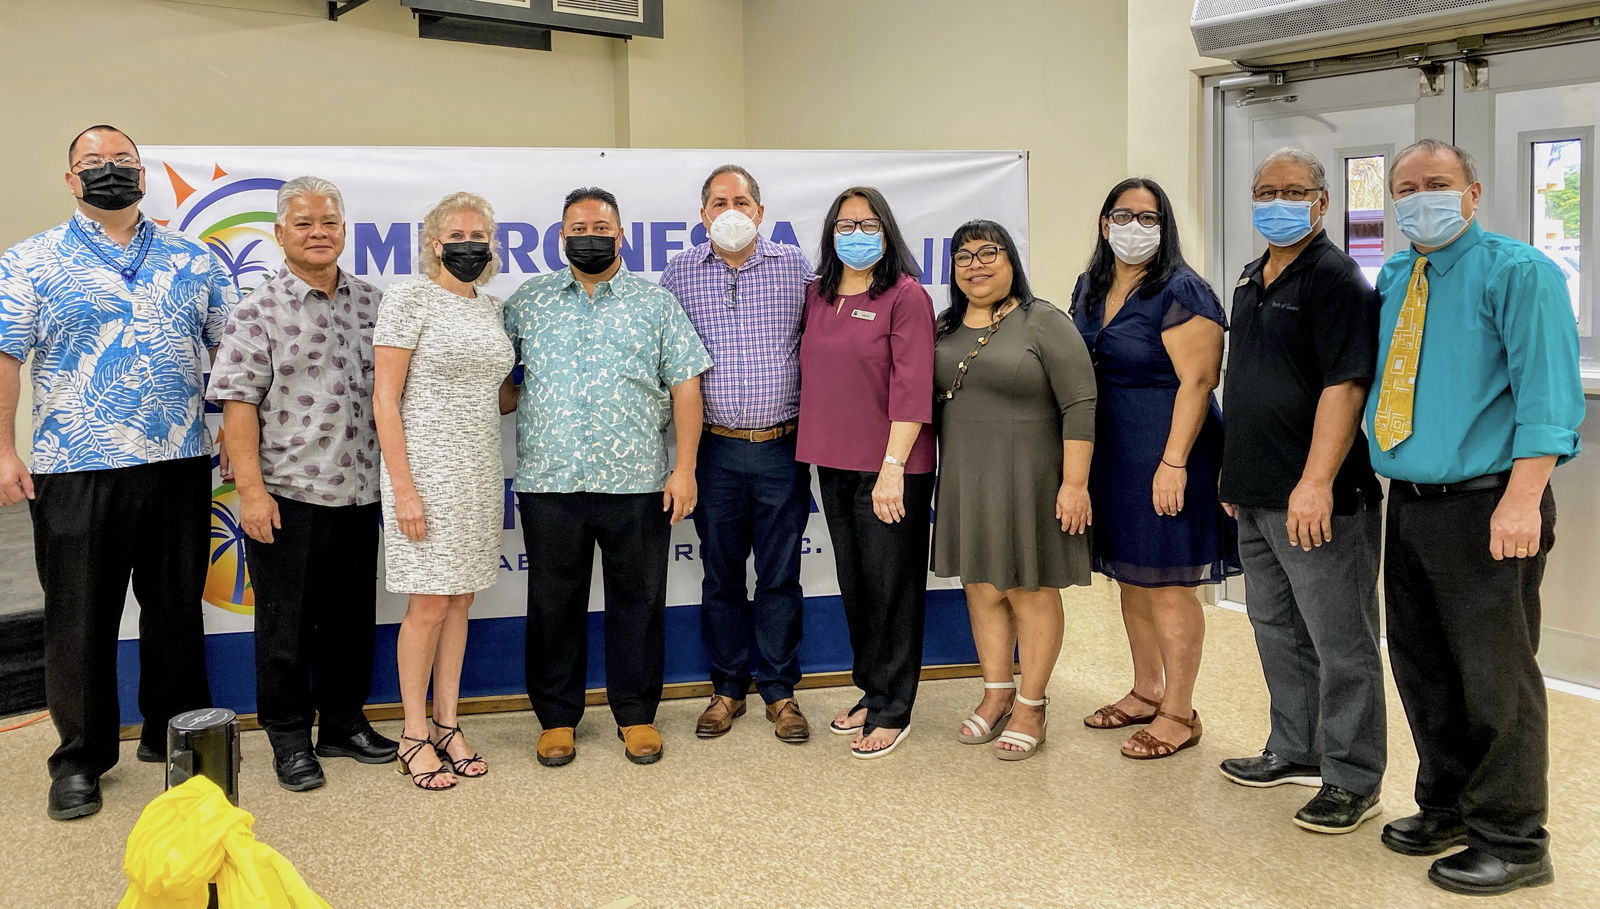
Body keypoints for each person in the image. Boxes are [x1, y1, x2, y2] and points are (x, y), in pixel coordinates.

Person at [0, 125, 234, 821]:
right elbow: (6, 357)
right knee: (79, 619)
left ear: (144, 174)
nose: (109, 170)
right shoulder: (30, 260)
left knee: (174, 613)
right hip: (77, 466)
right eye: (92, 163)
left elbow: (235, 352)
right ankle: (79, 758)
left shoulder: (196, 259)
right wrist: (2, 449)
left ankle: (175, 740)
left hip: (179, 460)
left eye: (122, 161)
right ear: (71, 180)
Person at [1368, 139, 1582, 896]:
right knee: (1424, 665)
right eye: (1406, 186)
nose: (1419, 195)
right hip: (1413, 505)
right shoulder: (1399, 274)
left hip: (1490, 503)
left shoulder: (1519, 272)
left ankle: (1515, 837)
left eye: (1437, 183)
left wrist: (1522, 499)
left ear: (1473, 192)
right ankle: (1450, 804)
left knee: (1496, 677)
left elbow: (1548, 395)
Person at [507, 187, 711, 767]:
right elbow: (497, 379)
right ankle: (555, 719)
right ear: (561, 236)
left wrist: (685, 468)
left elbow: (686, 387)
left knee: (639, 601)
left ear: (621, 235)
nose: (589, 234)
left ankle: (637, 715)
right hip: (550, 482)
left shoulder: (656, 303)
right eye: (578, 226)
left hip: (639, 483)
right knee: (552, 604)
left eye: (601, 225)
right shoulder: (528, 301)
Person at [207, 176, 398, 793]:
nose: (319, 233)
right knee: (285, 628)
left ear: (344, 229)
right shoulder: (257, 309)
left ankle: (342, 724)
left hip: (360, 490)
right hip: (286, 494)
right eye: (305, 223)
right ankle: (288, 737)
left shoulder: (373, 302)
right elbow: (238, 405)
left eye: (330, 222)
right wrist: (252, 494)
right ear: (280, 232)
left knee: (349, 619)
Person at [1216, 149, 1386, 833]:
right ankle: (1295, 745)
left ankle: (1352, 778)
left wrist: (1314, 482)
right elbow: (1248, 381)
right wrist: (1234, 474)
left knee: (1341, 641)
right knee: (1277, 629)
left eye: (1292, 191)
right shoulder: (1250, 277)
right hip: (1254, 494)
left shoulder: (1337, 278)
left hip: (1318, 500)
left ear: (1321, 201)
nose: (1276, 201)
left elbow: (1344, 387)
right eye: (1265, 191)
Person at [1070, 177, 1241, 760]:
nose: (1135, 228)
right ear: (1104, 223)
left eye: (1149, 218)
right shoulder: (1090, 288)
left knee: (1169, 585)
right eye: (1124, 215)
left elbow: (1199, 382)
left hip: (1171, 452)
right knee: (1132, 577)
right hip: (1113, 456)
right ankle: (1146, 691)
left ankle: (1179, 710)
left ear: (1165, 228)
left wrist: (1173, 462)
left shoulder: (1183, 291)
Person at [660, 165, 815, 744]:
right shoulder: (679, 273)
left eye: (742, 201)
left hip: (781, 448)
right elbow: (667, 365)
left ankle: (780, 691)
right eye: (719, 201)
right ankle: (727, 689)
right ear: (703, 215)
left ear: (760, 213)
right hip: (714, 452)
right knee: (722, 578)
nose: (731, 209)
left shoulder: (795, 268)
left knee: (780, 577)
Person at [933, 220, 1096, 761]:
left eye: (988, 253)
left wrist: (1075, 483)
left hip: (1032, 477)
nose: (975, 265)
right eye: (963, 257)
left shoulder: (1044, 321)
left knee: (1030, 589)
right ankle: (997, 691)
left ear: (1011, 261)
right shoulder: (944, 326)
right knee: (981, 587)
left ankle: (1032, 702)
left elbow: (1080, 403)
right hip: (966, 477)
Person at [372, 191, 514, 791]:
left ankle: (448, 724)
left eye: (478, 234)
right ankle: (411, 732)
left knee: (461, 600)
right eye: (455, 235)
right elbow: (384, 396)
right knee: (428, 602)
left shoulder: (492, 307)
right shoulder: (409, 299)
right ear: (433, 242)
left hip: (480, 469)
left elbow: (497, 391)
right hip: (424, 470)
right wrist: (403, 488)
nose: (468, 244)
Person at [797, 186, 935, 760]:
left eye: (868, 224)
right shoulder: (817, 294)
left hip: (891, 468)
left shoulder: (905, 296)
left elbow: (913, 384)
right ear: (831, 233)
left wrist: (893, 468)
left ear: (887, 232)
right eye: (846, 224)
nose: (857, 234)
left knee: (893, 587)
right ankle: (871, 686)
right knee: (856, 584)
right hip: (833, 461)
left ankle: (895, 706)